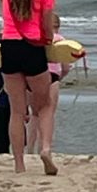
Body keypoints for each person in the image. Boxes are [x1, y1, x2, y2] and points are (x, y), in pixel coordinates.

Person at [0, 0, 58, 175]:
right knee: (43, 105)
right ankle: (45, 149)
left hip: (9, 46)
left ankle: (18, 164)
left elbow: (5, 16)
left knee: (16, 110)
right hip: (32, 48)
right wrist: (50, 40)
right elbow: (46, 23)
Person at [27, 14, 71, 153]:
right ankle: (44, 147)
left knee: (34, 115)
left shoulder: (35, 38)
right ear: (58, 26)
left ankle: (29, 148)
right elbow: (65, 67)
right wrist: (60, 77)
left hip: (33, 76)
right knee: (48, 114)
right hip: (52, 76)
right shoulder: (61, 41)